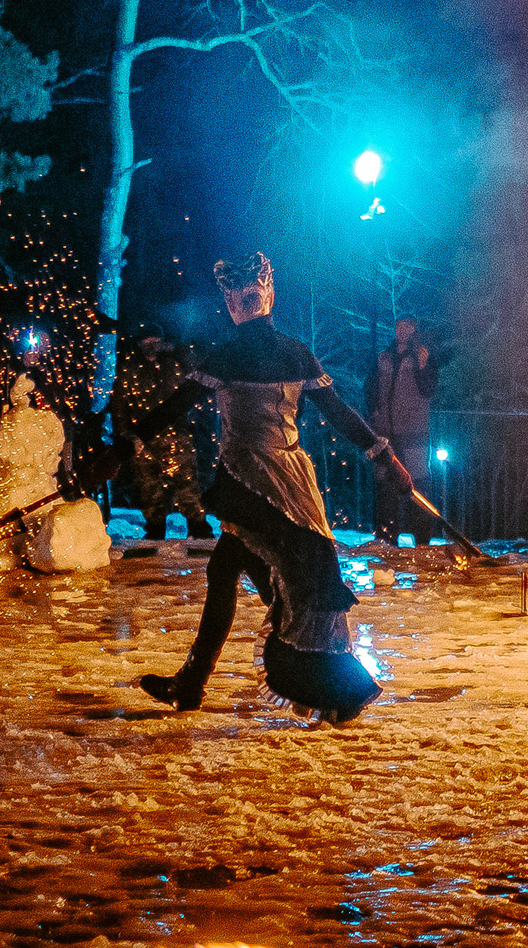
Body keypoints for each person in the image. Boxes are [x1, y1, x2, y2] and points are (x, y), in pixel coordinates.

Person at [114, 253, 405, 722]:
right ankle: (193, 683)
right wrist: (382, 455)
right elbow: (341, 414)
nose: (241, 301)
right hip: (289, 482)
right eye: (239, 295)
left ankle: (324, 683)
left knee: (284, 581)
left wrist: (123, 446)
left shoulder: (230, 354)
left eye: (242, 295)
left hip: (252, 483)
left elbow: (174, 407)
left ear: (248, 299)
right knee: (234, 570)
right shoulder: (294, 351)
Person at [112, 334, 212, 540]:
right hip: (144, 441)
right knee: (150, 490)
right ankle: (156, 529)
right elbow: (120, 406)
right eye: (146, 343)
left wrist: (177, 351)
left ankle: (199, 528)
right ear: (139, 344)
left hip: (177, 436)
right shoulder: (131, 370)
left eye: (156, 342)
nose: (151, 347)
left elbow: (196, 371)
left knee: (187, 487)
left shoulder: (175, 364)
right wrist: (127, 435)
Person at [367, 317, 437, 546]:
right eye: (400, 326)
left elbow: (429, 389)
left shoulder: (422, 356)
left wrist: (423, 367)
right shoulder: (383, 356)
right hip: (385, 432)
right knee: (385, 485)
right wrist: (373, 411)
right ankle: (386, 536)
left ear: (415, 331)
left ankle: (423, 539)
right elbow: (370, 386)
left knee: (417, 483)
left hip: (414, 430)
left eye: (408, 327)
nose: (403, 331)